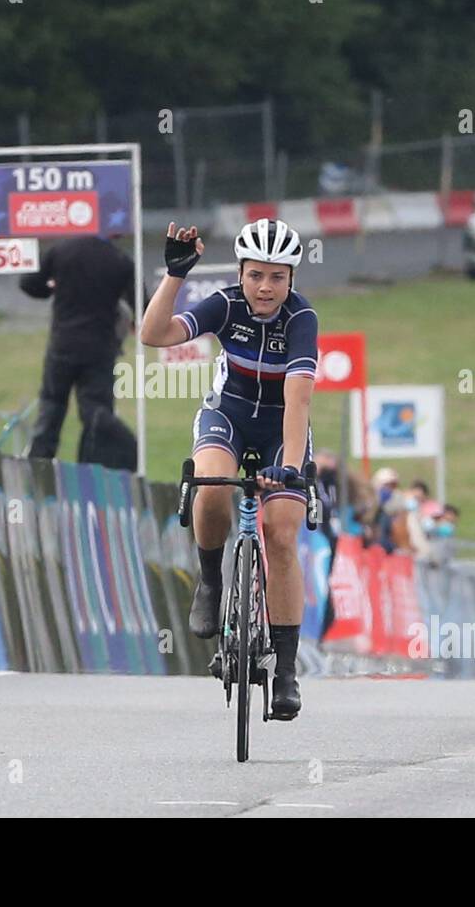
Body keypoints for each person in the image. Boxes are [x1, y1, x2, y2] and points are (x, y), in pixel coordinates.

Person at [140, 217, 316, 721]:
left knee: (282, 535)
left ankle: (284, 670)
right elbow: (154, 335)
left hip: (283, 425)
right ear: (240, 273)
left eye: (277, 277)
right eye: (256, 274)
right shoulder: (226, 303)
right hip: (229, 415)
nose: (266, 287)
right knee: (211, 488)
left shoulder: (301, 320)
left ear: (291, 280)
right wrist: (175, 275)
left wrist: (286, 471)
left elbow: (298, 398)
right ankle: (212, 580)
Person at [19, 234, 142, 460]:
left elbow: (28, 283)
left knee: (52, 404)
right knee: (96, 411)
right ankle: (92, 465)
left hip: (63, 344)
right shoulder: (121, 261)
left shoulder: (61, 248)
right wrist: (133, 323)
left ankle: (39, 465)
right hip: (100, 347)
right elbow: (142, 303)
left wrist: (51, 288)